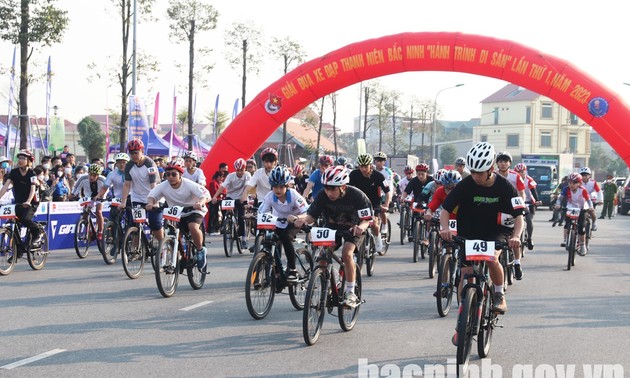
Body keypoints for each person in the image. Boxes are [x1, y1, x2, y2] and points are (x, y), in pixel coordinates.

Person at [440, 142, 525, 323]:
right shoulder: (465, 184)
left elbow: (519, 216)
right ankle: (463, 319)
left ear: (491, 169)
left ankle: (498, 293)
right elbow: (445, 210)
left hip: (497, 229)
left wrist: (516, 236)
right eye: (473, 172)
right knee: (466, 272)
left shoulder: (506, 187)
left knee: (492, 258)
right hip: (470, 228)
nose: (476, 176)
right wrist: (445, 228)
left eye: (480, 172)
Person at [294, 166, 373, 308]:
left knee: (347, 253)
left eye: (333, 189)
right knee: (323, 258)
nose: (329, 192)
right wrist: (302, 220)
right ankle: (330, 280)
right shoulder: (322, 196)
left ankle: (350, 293)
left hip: (353, 229)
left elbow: (366, 219)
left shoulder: (357, 196)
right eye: (326, 188)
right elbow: (312, 215)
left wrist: (360, 227)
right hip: (331, 228)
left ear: (342, 187)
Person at [147, 158, 211, 270]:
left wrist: (200, 202)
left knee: (192, 226)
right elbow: (153, 195)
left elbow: (205, 194)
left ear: (180, 174)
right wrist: (150, 203)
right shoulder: (164, 185)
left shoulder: (189, 184)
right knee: (174, 233)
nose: (170, 177)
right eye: (168, 174)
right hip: (178, 213)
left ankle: (201, 250)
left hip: (193, 210)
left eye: (173, 174)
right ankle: (181, 256)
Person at [258, 165, 309, 282]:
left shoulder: (294, 195)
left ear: (287, 185)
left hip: (295, 222)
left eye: (281, 187)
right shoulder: (270, 196)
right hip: (278, 221)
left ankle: (292, 270)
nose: (278, 190)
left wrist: (297, 218)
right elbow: (262, 212)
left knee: (285, 237)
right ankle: (276, 271)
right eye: (275, 187)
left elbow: (307, 211)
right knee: (271, 239)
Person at [120, 139, 164, 246]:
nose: (134, 155)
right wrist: (123, 202)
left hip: (153, 195)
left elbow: (153, 184)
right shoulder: (129, 165)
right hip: (137, 197)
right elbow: (126, 184)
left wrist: (152, 202)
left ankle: (162, 245)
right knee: (134, 223)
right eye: (131, 153)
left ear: (142, 151)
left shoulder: (150, 164)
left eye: (136, 152)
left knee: (155, 223)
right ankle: (136, 249)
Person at [0, 149, 44, 247]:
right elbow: (5, 187)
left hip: (31, 202)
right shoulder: (14, 172)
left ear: (29, 161)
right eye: (19, 158)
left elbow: (33, 188)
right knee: (13, 223)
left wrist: (28, 201)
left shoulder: (32, 173)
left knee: (25, 219)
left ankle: (37, 233)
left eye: (23, 158)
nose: (20, 160)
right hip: (18, 202)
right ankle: (18, 251)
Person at [349, 153, 390, 253]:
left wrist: (386, 205)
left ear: (370, 165)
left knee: (374, 223)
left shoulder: (379, 176)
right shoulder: (353, 174)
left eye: (365, 167)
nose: (363, 169)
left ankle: (377, 238)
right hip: (359, 202)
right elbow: (347, 190)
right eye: (361, 166)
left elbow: (388, 191)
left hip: (374, 202)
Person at [495, 151, 526, 279]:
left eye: (505, 161)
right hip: (497, 208)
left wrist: (521, 206)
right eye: (500, 161)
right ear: (497, 163)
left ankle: (517, 263)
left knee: (514, 237)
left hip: (512, 208)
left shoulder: (515, 176)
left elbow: (521, 193)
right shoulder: (493, 175)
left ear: (509, 163)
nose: (503, 164)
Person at [210, 158, 252, 249]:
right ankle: (227, 221)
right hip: (231, 196)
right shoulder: (230, 176)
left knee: (241, 218)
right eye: (238, 170)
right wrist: (214, 197)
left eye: (242, 170)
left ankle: (243, 238)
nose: (240, 172)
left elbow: (247, 187)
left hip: (242, 197)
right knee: (223, 204)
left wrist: (243, 199)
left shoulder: (247, 175)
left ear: (245, 169)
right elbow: (223, 186)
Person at [554, 173, 593, 256]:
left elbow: (588, 200)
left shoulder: (583, 190)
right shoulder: (566, 189)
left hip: (582, 208)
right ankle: (566, 240)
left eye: (574, 183)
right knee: (567, 223)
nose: (571, 185)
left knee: (581, 228)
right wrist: (558, 204)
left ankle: (582, 245)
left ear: (579, 183)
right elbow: (560, 198)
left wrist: (590, 207)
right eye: (570, 182)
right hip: (571, 207)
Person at [71, 164, 108, 239]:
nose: (91, 177)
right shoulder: (82, 178)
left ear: (98, 175)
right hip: (88, 196)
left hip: (100, 196)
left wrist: (100, 197)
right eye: (90, 174)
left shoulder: (103, 179)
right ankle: (88, 228)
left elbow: (106, 189)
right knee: (85, 213)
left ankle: (100, 231)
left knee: (98, 212)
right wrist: (73, 194)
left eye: (94, 175)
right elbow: (76, 187)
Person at [514, 163, 541, 252]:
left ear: (525, 171)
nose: (520, 174)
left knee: (529, 220)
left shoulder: (529, 179)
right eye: (518, 172)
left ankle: (529, 238)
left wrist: (537, 200)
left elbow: (533, 190)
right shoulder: (513, 178)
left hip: (529, 202)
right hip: (516, 202)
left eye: (522, 172)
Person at [372, 152, 394, 233]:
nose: (378, 163)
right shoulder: (372, 170)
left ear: (384, 162)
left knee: (381, 210)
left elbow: (389, 186)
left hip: (385, 192)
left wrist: (387, 202)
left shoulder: (387, 171)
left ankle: (384, 225)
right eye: (377, 161)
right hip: (375, 192)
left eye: (381, 161)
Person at [207, 170, 226, 235]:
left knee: (217, 214)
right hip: (213, 200)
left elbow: (225, 191)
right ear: (218, 176)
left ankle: (216, 228)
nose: (222, 178)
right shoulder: (213, 183)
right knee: (213, 215)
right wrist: (222, 193)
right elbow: (215, 191)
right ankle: (211, 229)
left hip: (219, 200)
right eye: (221, 177)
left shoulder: (221, 183)